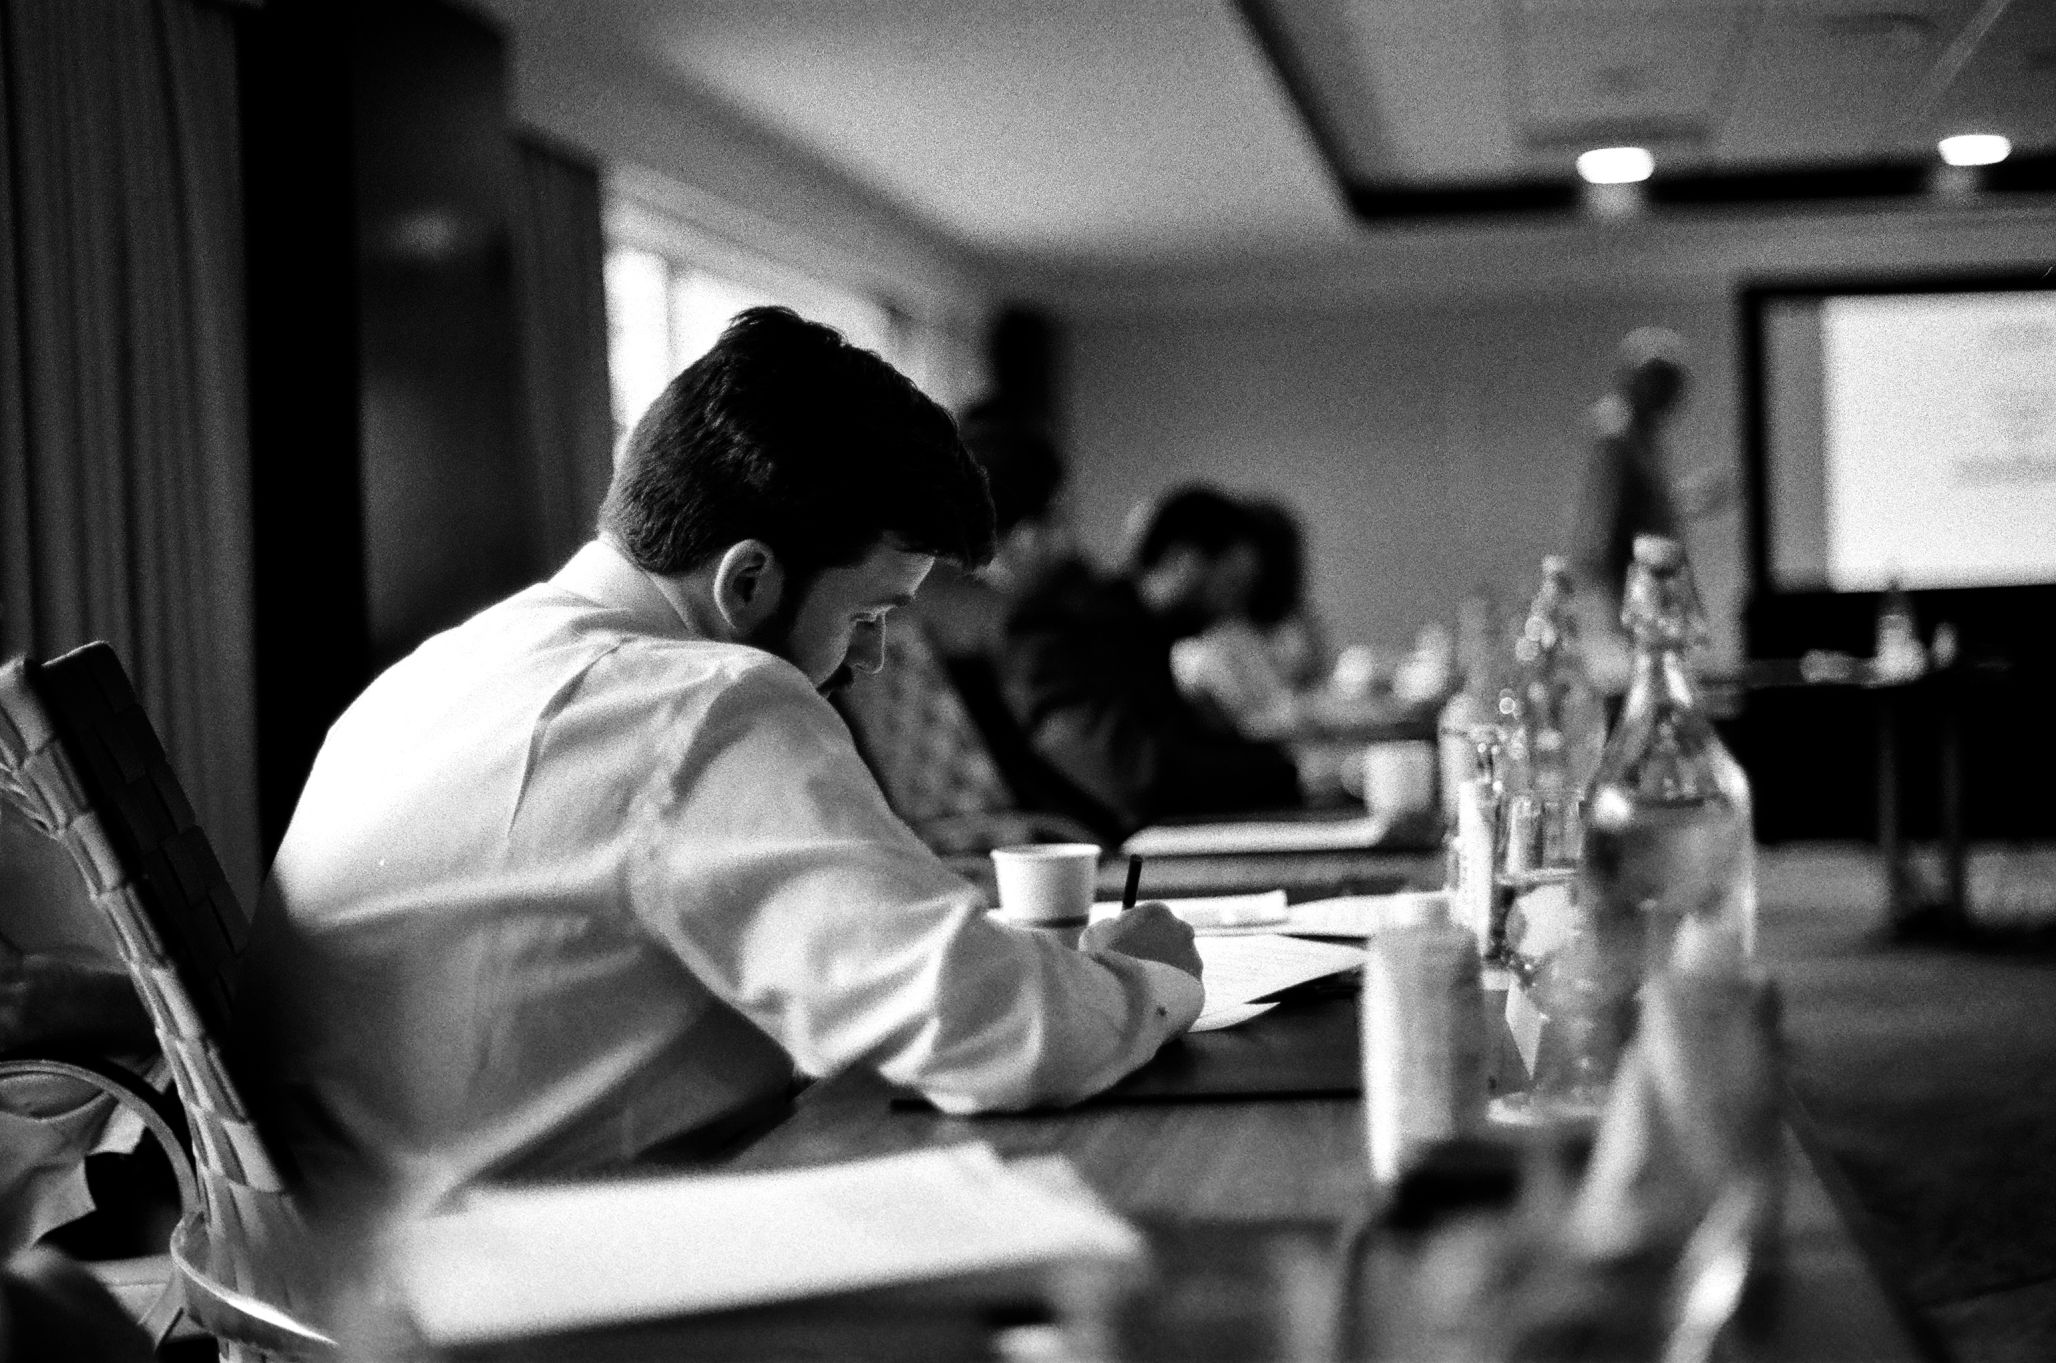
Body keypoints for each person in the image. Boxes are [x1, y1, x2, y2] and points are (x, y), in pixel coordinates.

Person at [233, 308, 1204, 1217]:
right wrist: (1145, 986)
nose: (868, 660)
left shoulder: (427, 675)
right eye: (865, 615)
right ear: (748, 580)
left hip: (358, 1266)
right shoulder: (701, 700)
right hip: (532, 1292)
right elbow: (995, 1028)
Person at [836, 417, 1121, 847]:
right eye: (1057, 520)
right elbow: (1083, 773)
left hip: (946, 845)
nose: (1064, 545)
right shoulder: (995, 617)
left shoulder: (869, 610)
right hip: (1022, 846)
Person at [1000, 484, 1313, 833]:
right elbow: (1134, 778)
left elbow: (1182, 750)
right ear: (1183, 559)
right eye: (1232, 583)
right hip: (1099, 855)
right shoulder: (1057, 633)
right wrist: (1283, 771)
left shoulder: (1142, 633)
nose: (1232, 609)